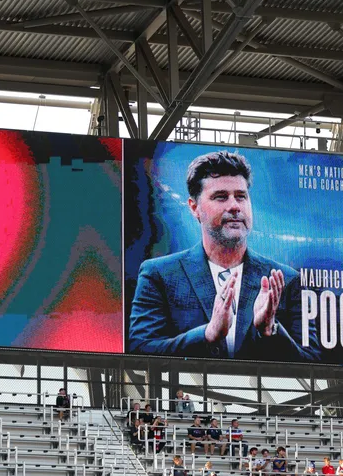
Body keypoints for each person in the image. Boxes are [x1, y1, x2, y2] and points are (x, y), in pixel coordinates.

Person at [128, 150, 320, 360]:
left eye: (241, 196)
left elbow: (313, 362)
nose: (234, 206)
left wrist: (270, 330)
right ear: (194, 208)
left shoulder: (287, 281)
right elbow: (140, 349)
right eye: (221, 197)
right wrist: (207, 334)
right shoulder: (159, 274)